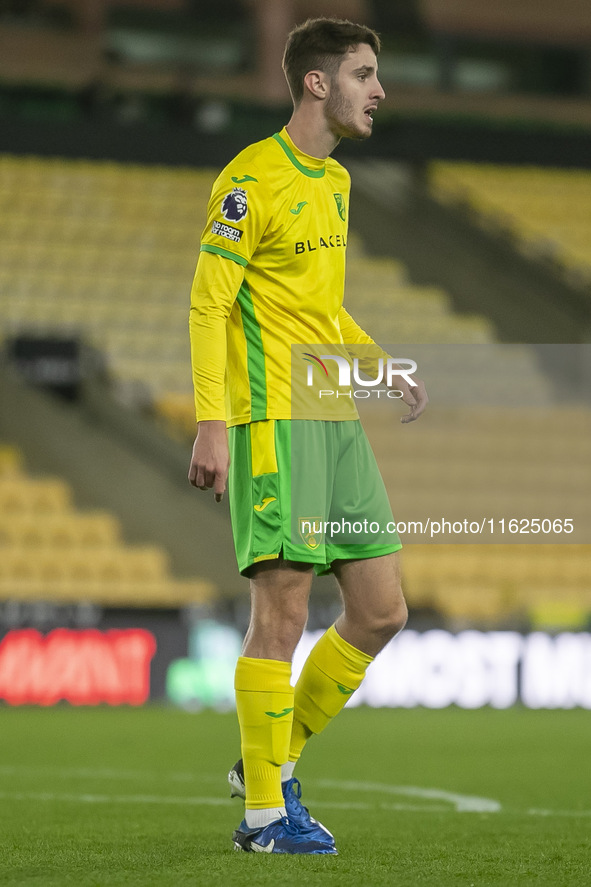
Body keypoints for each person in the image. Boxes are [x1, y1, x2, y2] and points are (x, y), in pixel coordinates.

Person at [188, 17, 428, 855]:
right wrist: (212, 422)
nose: (379, 90)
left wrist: (375, 364)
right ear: (318, 83)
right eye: (365, 73)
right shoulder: (251, 179)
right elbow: (209, 303)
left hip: (333, 414)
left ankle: (270, 758)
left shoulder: (332, 183)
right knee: (281, 612)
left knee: (381, 609)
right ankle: (262, 817)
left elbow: (318, 310)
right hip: (272, 419)